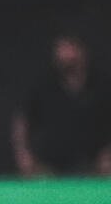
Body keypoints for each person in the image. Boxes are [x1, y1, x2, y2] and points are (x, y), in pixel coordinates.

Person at [13, 35, 111, 176]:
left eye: (69, 50)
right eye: (60, 50)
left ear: (82, 52)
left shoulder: (103, 86)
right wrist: (23, 154)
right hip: (49, 167)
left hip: (94, 166)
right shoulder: (43, 86)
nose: (64, 56)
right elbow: (22, 120)